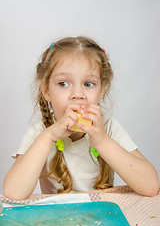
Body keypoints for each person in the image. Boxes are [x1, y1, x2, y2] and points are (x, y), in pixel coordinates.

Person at [3, 36, 159, 200]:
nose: (78, 95)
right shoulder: (40, 133)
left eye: (88, 84)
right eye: (63, 84)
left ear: (101, 90)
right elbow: (13, 194)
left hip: (101, 217)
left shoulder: (108, 127)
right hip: (57, 218)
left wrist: (102, 141)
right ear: (47, 91)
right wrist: (49, 137)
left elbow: (150, 186)